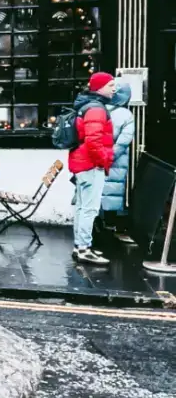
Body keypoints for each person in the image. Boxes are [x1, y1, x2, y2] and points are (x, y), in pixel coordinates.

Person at [68, 71, 116, 266]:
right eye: (111, 85)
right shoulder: (97, 109)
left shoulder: (87, 105)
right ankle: (84, 249)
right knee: (90, 208)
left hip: (81, 162)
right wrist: (104, 160)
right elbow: (94, 140)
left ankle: (79, 246)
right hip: (90, 164)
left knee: (82, 207)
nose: (114, 89)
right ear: (100, 87)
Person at [100, 78, 137, 243]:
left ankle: (98, 226)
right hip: (116, 161)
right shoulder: (126, 115)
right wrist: (110, 156)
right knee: (113, 191)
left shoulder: (99, 110)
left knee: (100, 190)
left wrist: (101, 156)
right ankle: (112, 226)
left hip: (98, 159)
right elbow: (123, 141)